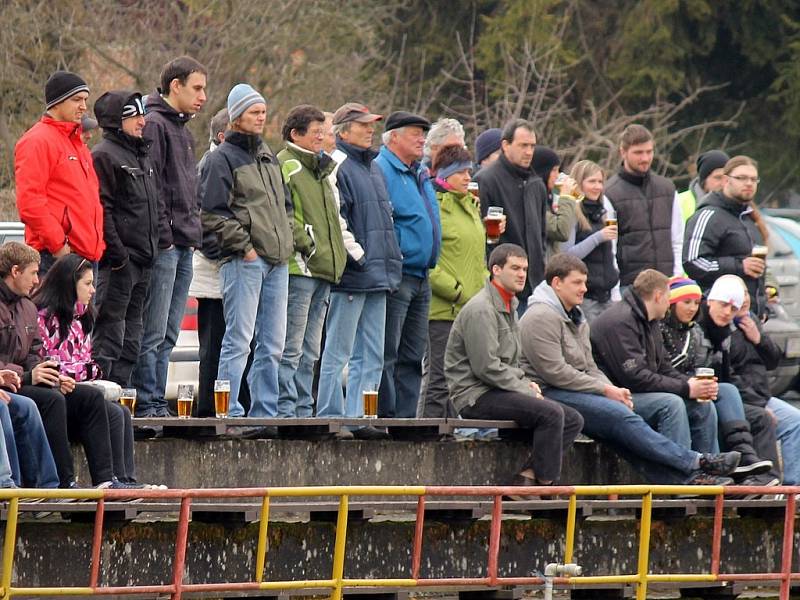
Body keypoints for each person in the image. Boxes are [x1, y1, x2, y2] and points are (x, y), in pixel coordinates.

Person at [519, 254, 740, 485]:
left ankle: (692, 478)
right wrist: (605, 390)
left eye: (585, 282)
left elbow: (589, 366)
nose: (585, 289)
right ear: (557, 283)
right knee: (627, 415)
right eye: (577, 283)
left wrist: (610, 389)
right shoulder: (541, 316)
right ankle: (694, 464)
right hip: (546, 392)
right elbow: (555, 372)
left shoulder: (576, 316)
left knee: (621, 433)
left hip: (576, 389)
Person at [444, 244, 583, 497]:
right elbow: (486, 367)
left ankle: (528, 479)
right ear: (496, 270)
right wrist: (525, 389)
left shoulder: (510, 304)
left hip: (498, 389)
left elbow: (512, 362)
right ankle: (546, 488)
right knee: (551, 414)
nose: (522, 274)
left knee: (573, 418)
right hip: (474, 395)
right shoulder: (481, 309)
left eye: (525, 269)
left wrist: (526, 383)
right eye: (515, 268)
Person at [200, 84, 293, 434]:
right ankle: (231, 414)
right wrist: (246, 248)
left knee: (273, 343)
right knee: (238, 339)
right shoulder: (219, 159)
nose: (262, 116)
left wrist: (288, 243)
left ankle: (265, 414)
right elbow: (211, 213)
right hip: (245, 261)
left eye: (263, 110)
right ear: (237, 116)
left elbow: (285, 205)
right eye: (255, 111)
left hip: (278, 261)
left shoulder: (268, 156)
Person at [0, 242, 128, 489]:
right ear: (15, 271)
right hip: (14, 382)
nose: (37, 281)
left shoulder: (26, 307)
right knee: (52, 400)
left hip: (24, 379)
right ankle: (63, 482)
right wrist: (28, 375)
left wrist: (51, 375)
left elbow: (35, 352)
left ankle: (107, 481)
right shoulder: (39, 311)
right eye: (33, 273)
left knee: (91, 398)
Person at [316, 103, 401, 438]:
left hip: (380, 275)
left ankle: (360, 418)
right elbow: (338, 219)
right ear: (344, 130)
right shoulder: (337, 166)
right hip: (355, 274)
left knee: (373, 354)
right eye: (364, 125)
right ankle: (332, 417)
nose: (371, 130)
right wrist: (360, 257)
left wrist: (390, 258)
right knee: (338, 352)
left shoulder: (374, 168)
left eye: (372, 125)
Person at [131, 55, 207, 417]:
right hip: (166, 246)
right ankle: (147, 402)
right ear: (174, 85)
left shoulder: (184, 130)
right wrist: (166, 236)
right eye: (197, 88)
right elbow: (155, 187)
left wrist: (192, 233)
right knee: (154, 330)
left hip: (184, 244)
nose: (203, 96)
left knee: (170, 334)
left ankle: (157, 400)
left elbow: (187, 190)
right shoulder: (156, 125)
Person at [34, 254, 146, 488]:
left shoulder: (82, 317)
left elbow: (87, 363)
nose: (93, 290)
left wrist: (88, 370)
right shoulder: (45, 318)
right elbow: (53, 364)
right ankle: (105, 480)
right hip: (56, 392)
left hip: (78, 389)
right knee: (95, 399)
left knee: (120, 413)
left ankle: (124, 480)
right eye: (87, 284)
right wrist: (87, 371)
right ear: (68, 284)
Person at [591, 269, 726, 456]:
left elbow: (663, 367)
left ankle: (710, 468)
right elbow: (634, 378)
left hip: (636, 391)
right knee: (672, 404)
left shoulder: (650, 319)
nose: (669, 303)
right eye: (668, 297)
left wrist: (692, 385)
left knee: (702, 405)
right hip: (616, 396)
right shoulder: (620, 321)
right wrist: (686, 389)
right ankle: (681, 475)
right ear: (657, 296)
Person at [658, 275, 777, 485]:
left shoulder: (722, 333)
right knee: (725, 394)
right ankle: (737, 461)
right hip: (686, 391)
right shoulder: (692, 329)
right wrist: (691, 384)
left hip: (715, 392)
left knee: (762, 416)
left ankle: (767, 481)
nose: (727, 313)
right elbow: (667, 368)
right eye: (723, 305)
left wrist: (758, 403)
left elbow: (769, 361)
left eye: (733, 309)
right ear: (710, 301)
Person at [277, 105, 347, 418]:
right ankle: (286, 409)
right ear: (296, 134)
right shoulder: (286, 164)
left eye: (324, 131)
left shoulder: (322, 168)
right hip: (300, 268)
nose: (323, 137)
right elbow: (286, 215)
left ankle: (305, 409)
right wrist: (309, 247)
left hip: (323, 270)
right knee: (291, 347)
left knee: (311, 350)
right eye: (316, 132)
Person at [374, 111, 441, 418]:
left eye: (423, 133)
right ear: (394, 137)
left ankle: (405, 419)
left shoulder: (420, 172)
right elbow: (381, 221)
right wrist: (397, 255)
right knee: (389, 351)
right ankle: (387, 418)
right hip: (398, 274)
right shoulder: (382, 169)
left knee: (413, 355)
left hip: (422, 275)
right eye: (415, 132)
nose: (421, 139)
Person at [90, 91, 159, 386]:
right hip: (121, 263)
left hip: (143, 260)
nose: (143, 121)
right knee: (110, 334)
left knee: (133, 336)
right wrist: (118, 256)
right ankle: (102, 402)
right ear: (118, 120)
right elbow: (102, 208)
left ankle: (121, 402)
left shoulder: (140, 154)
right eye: (135, 116)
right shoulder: (104, 155)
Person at [191, 109, 254, 417]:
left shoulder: (238, 163)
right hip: (217, 273)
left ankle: (234, 407)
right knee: (215, 347)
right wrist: (229, 252)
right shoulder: (212, 164)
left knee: (239, 345)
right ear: (222, 135)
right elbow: (205, 219)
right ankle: (209, 412)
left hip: (234, 269)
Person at [420, 145, 489, 418]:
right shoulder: (435, 207)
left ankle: (447, 435)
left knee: (459, 381)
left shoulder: (471, 206)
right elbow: (428, 262)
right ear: (444, 174)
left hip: (470, 311)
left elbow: (477, 260)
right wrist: (458, 291)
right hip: (443, 310)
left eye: (469, 171)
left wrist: (485, 290)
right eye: (460, 172)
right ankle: (426, 437)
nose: (467, 177)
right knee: (438, 378)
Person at [15, 70, 104, 274]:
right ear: (56, 102)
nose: (83, 106)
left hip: (87, 256)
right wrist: (58, 246)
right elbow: (29, 203)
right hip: (56, 257)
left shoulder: (77, 143)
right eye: (76, 99)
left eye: (85, 100)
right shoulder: (37, 141)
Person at [726, 281, 800, 485]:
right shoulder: (723, 329)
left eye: (746, 293)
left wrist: (759, 339)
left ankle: (794, 488)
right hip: (743, 400)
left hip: (762, 397)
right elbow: (728, 377)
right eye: (739, 295)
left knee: (796, 421)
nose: (745, 299)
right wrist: (758, 406)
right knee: (766, 420)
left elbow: (773, 360)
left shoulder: (751, 320)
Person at [474, 119, 547, 314]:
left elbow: (541, 236)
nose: (529, 151)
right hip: (501, 287)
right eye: (523, 145)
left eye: (532, 146)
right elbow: (480, 239)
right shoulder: (485, 180)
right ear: (505, 145)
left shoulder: (536, 183)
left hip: (534, 287)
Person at [683, 155, 768, 319]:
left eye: (753, 179)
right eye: (741, 178)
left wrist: (765, 301)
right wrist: (739, 266)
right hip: (716, 317)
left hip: (750, 317)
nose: (749, 183)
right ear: (726, 180)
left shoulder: (749, 218)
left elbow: (758, 268)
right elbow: (692, 262)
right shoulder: (708, 214)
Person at [604, 124, 683, 286]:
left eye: (649, 152)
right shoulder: (609, 193)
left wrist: (677, 276)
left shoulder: (667, 188)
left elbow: (677, 238)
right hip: (630, 285)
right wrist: (615, 289)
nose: (645, 158)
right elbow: (609, 248)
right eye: (638, 153)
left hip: (667, 282)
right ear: (623, 152)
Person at [560, 160, 620, 321]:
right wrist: (598, 237)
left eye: (600, 182)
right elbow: (567, 256)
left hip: (607, 296)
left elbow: (611, 255)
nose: (597, 186)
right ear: (579, 183)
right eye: (592, 181)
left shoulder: (603, 211)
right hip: (585, 298)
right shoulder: (572, 212)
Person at [530, 146, 577, 257]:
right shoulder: (533, 199)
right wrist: (566, 197)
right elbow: (561, 230)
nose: (558, 175)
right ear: (543, 172)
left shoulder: (548, 197)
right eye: (554, 170)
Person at [677, 150, 729, 222]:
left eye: (727, 178)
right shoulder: (678, 202)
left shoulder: (737, 206)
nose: (723, 184)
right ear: (704, 179)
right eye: (718, 178)